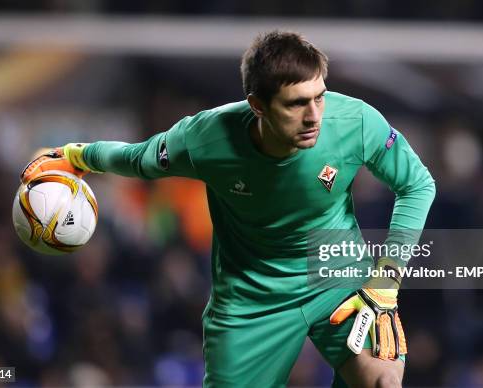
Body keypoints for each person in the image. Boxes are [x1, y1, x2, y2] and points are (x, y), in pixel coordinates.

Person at [22, 30, 435, 388]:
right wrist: (74, 155)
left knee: (383, 381)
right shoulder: (206, 138)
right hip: (250, 298)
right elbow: (137, 159)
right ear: (257, 105)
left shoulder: (355, 121)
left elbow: (417, 184)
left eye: (319, 97)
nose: (314, 116)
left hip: (337, 276)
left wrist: (386, 279)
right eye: (296, 104)